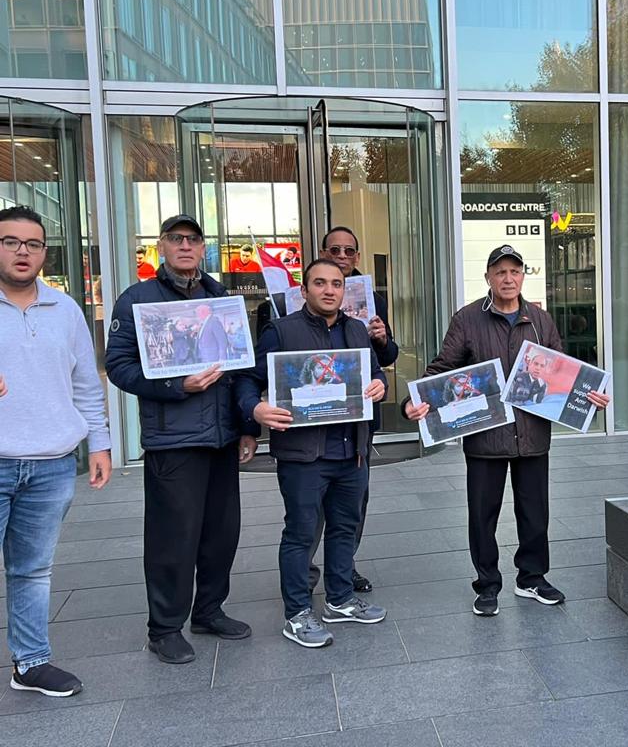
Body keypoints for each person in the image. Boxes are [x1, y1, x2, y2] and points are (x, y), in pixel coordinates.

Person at [403, 244, 610, 616]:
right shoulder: (467, 319)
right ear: (488, 277)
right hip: (485, 437)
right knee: (483, 516)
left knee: (535, 513)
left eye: (515, 271)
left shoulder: (540, 320)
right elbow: (443, 367)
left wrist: (589, 396)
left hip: (532, 435)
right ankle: (487, 585)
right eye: (500, 272)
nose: (508, 278)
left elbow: (564, 371)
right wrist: (414, 400)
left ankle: (532, 578)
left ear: (523, 276)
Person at [106, 214, 258, 664]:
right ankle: (165, 628)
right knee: (173, 539)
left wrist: (247, 427)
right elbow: (119, 366)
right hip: (173, 439)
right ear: (162, 246)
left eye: (193, 239)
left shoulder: (221, 298)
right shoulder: (137, 300)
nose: (186, 246)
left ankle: (209, 611)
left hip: (222, 437)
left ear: (203, 248)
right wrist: (177, 385)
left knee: (221, 534)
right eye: (177, 239)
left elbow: (242, 370)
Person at [236, 259, 388, 647]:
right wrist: (255, 410)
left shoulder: (357, 329)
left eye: (336, 284)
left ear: (344, 291)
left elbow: (376, 372)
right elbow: (247, 381)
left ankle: (340, 599)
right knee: (301, 534)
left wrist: (379, 385)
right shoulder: (280, 331)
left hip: (352, 451)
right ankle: (297, 613)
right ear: (304, 291)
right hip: (303, 455)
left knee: (344, 528)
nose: (329, 290)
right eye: (319, 283)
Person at [0, 205, 112, 697]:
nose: (22, 252)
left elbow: (86, 382)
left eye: (33, 244)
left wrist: (99, 442)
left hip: (51, 465)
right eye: (11, 242)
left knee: (32, 570)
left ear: (45, 252)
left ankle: (30, 663)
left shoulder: (65, 310)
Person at [313, 225, 399, 593]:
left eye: (349, 251)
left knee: (353, 501)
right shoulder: (297, 297)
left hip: (358, 418)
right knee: (309, 503)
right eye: (335, 250)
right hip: (313, 418)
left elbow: (388, 356)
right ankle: (305, 573)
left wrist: (382, 339)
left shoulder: (372, 298)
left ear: (358, 257)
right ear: (323, 253)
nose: (342, 256)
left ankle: (344, 567)